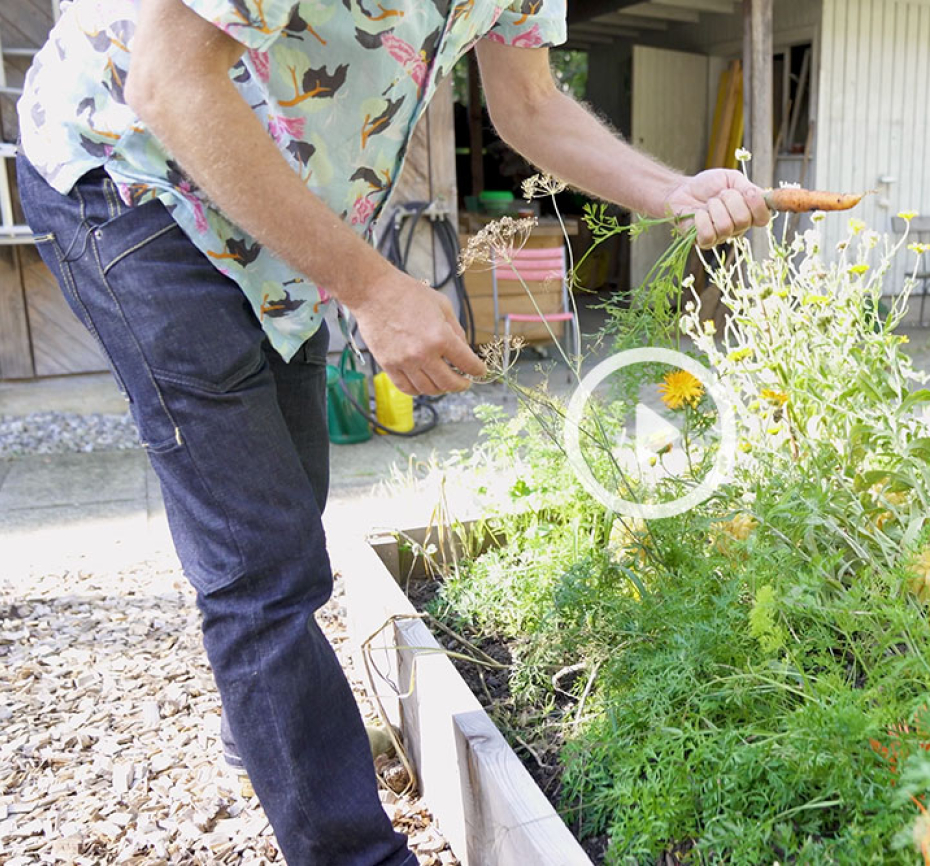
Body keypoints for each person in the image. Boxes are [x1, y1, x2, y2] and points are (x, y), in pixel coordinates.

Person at [15, 1, 771, 863]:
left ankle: (261, 732)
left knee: (291, 500)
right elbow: (170, 82)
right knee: (261, 564)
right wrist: (374, 290)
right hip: (131, 176)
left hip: (276, 211)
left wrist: (670, 192)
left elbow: (528, 103)